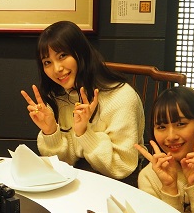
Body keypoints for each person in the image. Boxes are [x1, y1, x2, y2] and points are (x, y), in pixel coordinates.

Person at [20, 20, 142, 181]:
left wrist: (85, 133)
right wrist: (51, 132)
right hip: (77, 178)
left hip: (119, 182)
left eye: (62, 56)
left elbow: (121, 167)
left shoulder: (121, 97)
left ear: (80, 52)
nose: (57, 69)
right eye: (47, 62)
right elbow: (61, 164)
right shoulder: (59, 97)